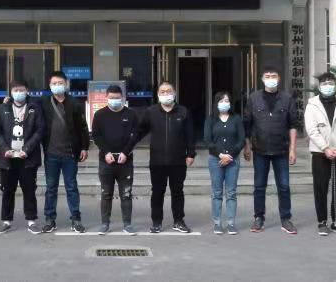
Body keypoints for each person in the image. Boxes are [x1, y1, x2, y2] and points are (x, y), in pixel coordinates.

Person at [243, 67, 299, 234]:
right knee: (259, 186)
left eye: (273, 76)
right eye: (267, 76)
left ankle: (286, 219)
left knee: (284, 186)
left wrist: (293, 149)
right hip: (260, 150)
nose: (270, 78)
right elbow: (247, 124)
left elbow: (293, 125)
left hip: (281, 150)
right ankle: (258, 218)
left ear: (279, 78)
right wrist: (247, 146)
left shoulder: (287, 99)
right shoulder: (253, 98)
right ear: (262, 79)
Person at [136, 81, 196, 234]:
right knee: (157, 192)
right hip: (157, 161)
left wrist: (190, 154)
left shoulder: (183, 112)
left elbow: (190, 135)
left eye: (169, 91)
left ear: (174, 93)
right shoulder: (151, 112)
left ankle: (178, 221)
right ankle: (156, 222)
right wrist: (127, 146)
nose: (166, 94)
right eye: (162, 91)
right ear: (158, 94)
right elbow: (139, 131)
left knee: (177, 192)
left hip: (178, 160)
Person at [305, 72, 336, 236]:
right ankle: (322, 222)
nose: (328, 86)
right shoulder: (312, 105)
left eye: (331, 83)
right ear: (319, 86)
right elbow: (312, 130)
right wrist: (325, 148)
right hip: (320, 152)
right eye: (325, 83)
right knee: (320, 187)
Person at [40, 71, 90, 234]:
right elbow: (27, 104)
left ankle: (76, 219)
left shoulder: (75, 103)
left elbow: (82, 127)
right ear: (49, 85)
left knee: (71, 187)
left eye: (60, 83)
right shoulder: (44, 103)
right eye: (54, 83)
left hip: (70, 154)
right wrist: (8, 102)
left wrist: (84, 147)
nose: (57, 86)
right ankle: (50, 219)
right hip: (51, 154)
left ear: (66, 84)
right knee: (51, 188)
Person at [0, 81, 45, 234]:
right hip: (8, 158)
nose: (18, 93)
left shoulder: (34, 108)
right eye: (15, 90)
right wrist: (4, 149)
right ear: (11, 92)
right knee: (7, 190)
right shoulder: (3, 108)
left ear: (27, 90)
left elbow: (40, 130)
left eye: (21, 90)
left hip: (27, 157)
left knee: (29, 190)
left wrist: (27, 149)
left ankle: (31, 221)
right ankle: (6, 221)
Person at [92, 85, 139, 235]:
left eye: (117, 98)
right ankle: (105, 224)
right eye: (112, 98)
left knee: (126, 193)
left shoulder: (131, 114)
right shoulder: (100, 115)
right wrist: (106, 152)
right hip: (106, 161)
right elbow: (96, 136)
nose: (115, 100)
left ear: (122, 97)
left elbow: (135, 135)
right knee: (106, 193)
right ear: (106, 97)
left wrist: (126, 152)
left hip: (125, 161)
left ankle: (127, 224)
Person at [204, 91, 245, 235]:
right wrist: (220, 155)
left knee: (231, 192)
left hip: (233, 161)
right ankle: (217, 223)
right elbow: (207, 140)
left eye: (226, 101)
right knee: (217, 192)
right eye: (221, 101)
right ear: (216, 103)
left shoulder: (236, 119)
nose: (224, 103)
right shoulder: (211, 119)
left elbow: (241, 140)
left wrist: (230, 155)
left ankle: (231, 223)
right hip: (215, 160)